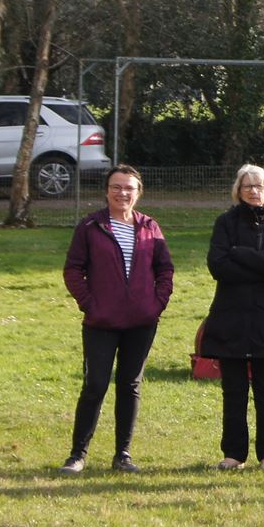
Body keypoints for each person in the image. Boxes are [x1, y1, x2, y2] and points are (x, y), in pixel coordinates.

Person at [61, 164, 174, 474]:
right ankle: (77, 455)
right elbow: (73, 269)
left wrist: (156, 304)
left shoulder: (150, 226)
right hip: (101, 322)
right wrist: (89, 304)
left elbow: (165, 270)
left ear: (138, 193)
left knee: (129, 385)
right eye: (117, 187)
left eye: (129, 188)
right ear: (106, 191)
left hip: (141, 321)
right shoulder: (90, 226)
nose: (123, 193)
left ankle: (122, 455)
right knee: (95, 384)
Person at [201, 164, 264, 472]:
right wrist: (258, 265)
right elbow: (218, 265)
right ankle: (233, 454)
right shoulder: (224, 223)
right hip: (230, 317)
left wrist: (239, 253)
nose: (254, 191)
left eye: (259, 186)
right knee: (234, 390)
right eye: (248, 186)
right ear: (238, 191)